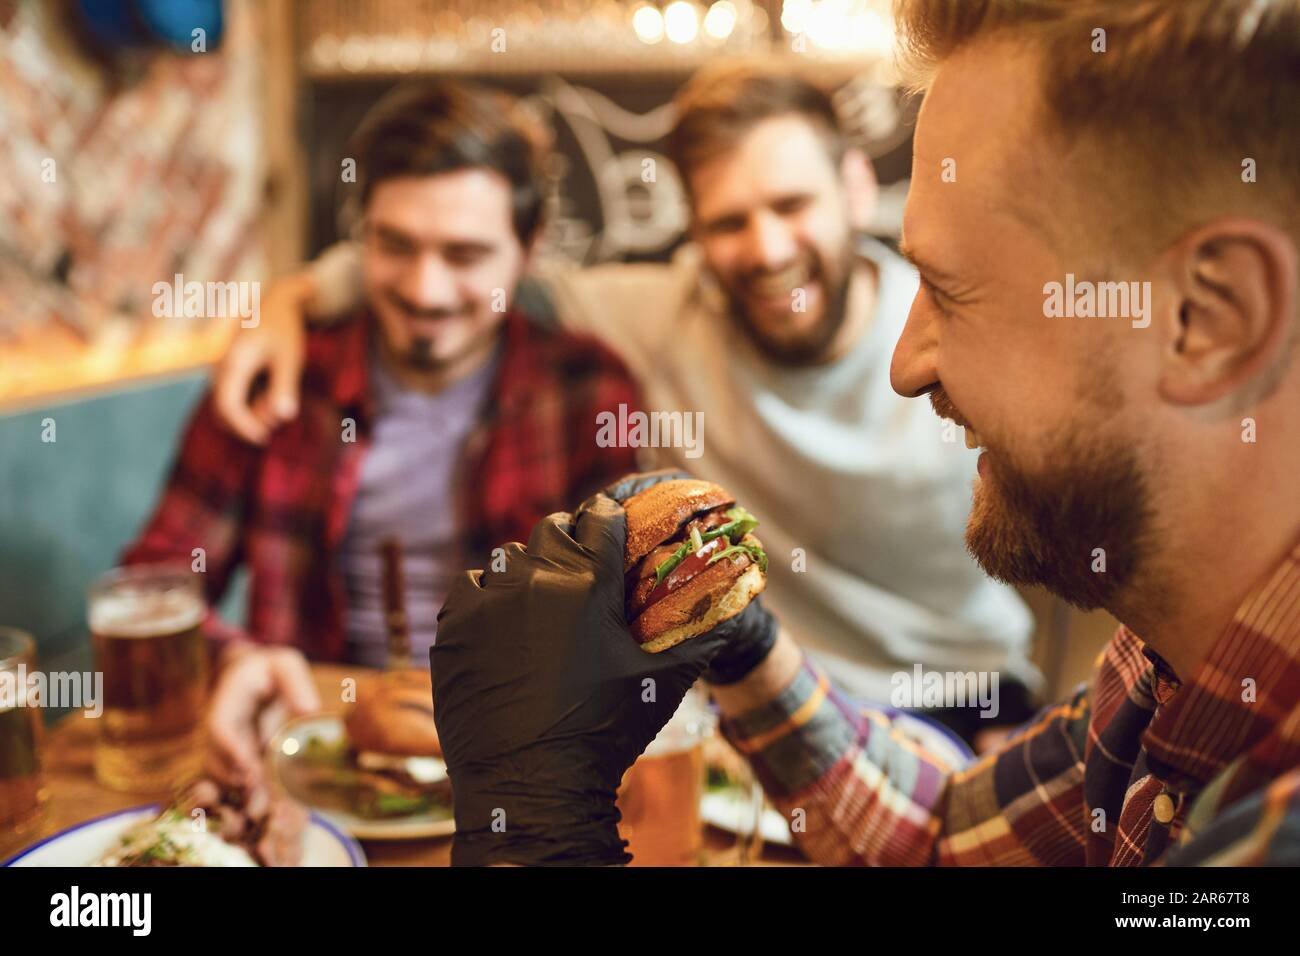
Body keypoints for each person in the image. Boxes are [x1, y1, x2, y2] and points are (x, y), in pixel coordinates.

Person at [430, 0, 1300, 866]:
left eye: (953, 291)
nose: (907, 364)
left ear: (1208, 319)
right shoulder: (1167, 677)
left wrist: (534, 832)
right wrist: (750, 648)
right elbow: (938, 833)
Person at [212, 63, 1041, 747]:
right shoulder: (662, 316)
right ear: (693, 230)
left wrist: (1019, 729)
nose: (765, 249)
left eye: (791, 206)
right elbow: (465, 270)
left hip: (957, 709)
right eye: (728, 221)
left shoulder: (948, 333)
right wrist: (286, 301)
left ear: (856, 187)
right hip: (754, 715)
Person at [120, 81, 642, 791]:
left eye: (464, 255)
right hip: (310, 764)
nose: (426, 291)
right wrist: (234, 661)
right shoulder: (280, 374)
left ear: (529, 248)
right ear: (359, 234)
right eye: (396, 245)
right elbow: (154, 585)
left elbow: (620, 619)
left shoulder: (587, 389)